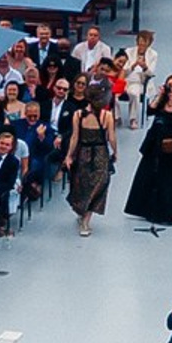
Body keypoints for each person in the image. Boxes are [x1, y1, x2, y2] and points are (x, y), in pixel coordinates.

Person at [124, 76, 172, 226]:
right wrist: (159, 97)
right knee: (150, 176)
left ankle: (170, 212)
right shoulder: (162, 100)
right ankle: (147, 209)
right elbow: (150, 111)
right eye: (170, 85)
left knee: (171, 181)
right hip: (156, 144)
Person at [63, 87, 116, 235]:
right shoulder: (107, 116)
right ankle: (85, 219)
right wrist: (115, 152)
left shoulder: (78, 115)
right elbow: (111, 137)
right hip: (100, 154)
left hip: (83, 153)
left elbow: (75, 137)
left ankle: (83, 214)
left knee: (83, 184)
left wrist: (69, 155)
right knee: (98, 186)